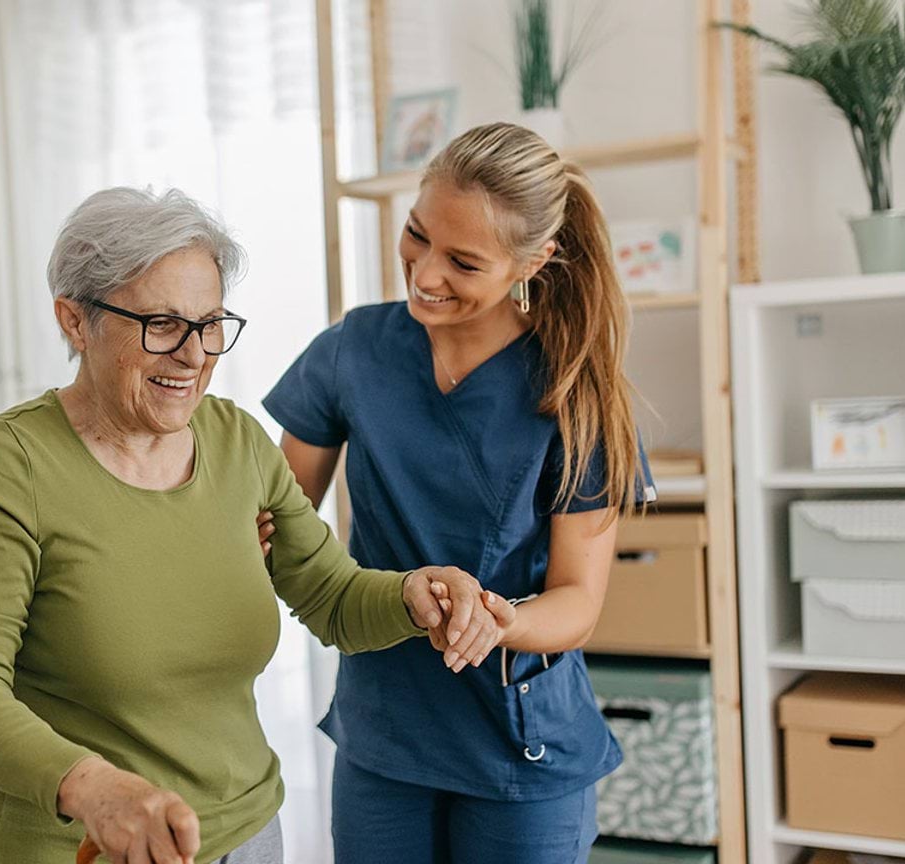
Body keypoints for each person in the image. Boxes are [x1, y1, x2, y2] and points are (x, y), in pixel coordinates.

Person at [0, 186, 514, 864]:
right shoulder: (10, 461)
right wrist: (91, 790)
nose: (195, 355)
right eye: (162, 325)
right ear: (75, 321)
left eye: (210, 325)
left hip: (248, 833)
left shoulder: (236, 441)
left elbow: (332, 597)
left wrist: (416, 594)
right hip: (85, 844)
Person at [260, 122, 656, 864]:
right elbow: (277, 524)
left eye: (464, 262)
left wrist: (499, 623)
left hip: (517, 747)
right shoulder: (353, 354)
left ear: (532, 262)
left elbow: (577, 600)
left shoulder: (574, 393)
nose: (425, 273)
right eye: (417, 235)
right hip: (384, 736)